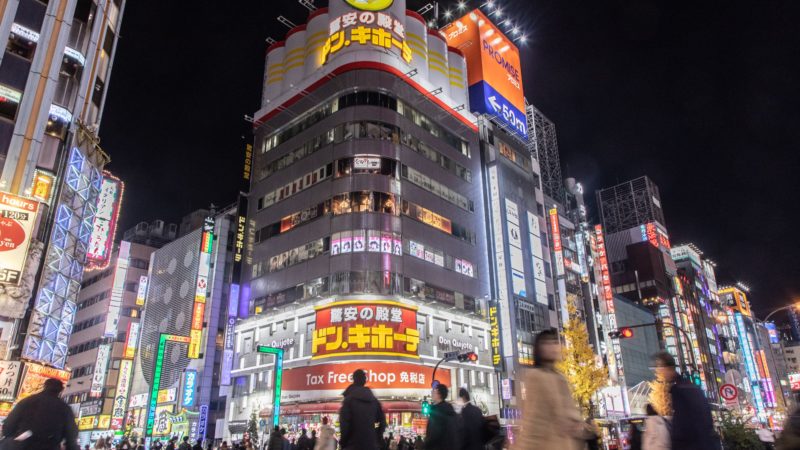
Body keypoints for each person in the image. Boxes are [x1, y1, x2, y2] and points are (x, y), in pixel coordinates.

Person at [515, 329, 593, 450]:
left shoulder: (561, 377)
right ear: (538, 349)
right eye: (546, 343)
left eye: (555, 342)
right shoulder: (536, 376)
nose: (552, 347)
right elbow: (534, 421)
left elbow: (571, 418)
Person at [652, 351, 719, 450]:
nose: (658, 372)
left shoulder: (681, 390)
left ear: (667, 368)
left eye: (659, 368)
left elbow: (683, 426)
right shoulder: (689, 386)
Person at [2, 378, 79, 450]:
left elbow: (8, 426)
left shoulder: (27, 401)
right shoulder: (64, 408)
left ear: (44, 386)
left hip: (24, 445)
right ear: (60, 390)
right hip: (50, 446)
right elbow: (71, 435)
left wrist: (13, 438)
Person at [339, 369, 387, 450]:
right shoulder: (373, 400)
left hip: (352, 445)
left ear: (354, 379)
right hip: (371, 445)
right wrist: (375, 438)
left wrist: (343, 443)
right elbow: (382, 422)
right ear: (364, 380)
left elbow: (344, 426)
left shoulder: (349, 400)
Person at [425, 384, 459, 450]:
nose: (432, 393)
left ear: (439, 394)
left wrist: (425, 446)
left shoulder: (437, 412)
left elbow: (433, 435)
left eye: (434, 391)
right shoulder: (450, 410)